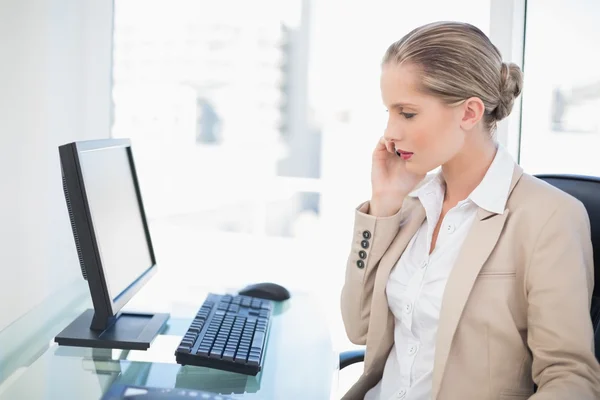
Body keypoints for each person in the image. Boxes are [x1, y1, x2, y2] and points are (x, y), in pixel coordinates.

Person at [340, 21, 600, 400]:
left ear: (469, 113)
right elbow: (359, 327)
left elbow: (571, 379)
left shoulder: (549, 217)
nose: (389, 133)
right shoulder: (412, 207)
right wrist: (382, 205)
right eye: (389, 112)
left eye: (407, 113)